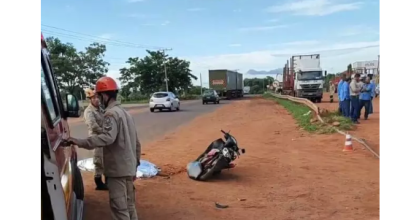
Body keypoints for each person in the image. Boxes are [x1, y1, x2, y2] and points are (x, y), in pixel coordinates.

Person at [68, 77, 141, 220]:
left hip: (117, 170)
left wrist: (79, 141)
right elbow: (136, 143)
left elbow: (107, 138)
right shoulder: (125, 113)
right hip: (129, 168)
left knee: (120, 209)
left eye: (99, 96)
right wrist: (135, 164)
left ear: (105, 95)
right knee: (130, 206)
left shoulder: (110, 114)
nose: (98, 99)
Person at [83, 88, 108, 191]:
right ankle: (98, 183)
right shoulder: (89, 111)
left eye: (98, 97)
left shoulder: (101, 109)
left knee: (106, 160)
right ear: (90, 99)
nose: (97, 99)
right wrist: (105, 132)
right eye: (94, 98)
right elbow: (93, 126)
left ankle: (108, 181)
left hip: (103, 137)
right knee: (98, 160)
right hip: (96, 138)